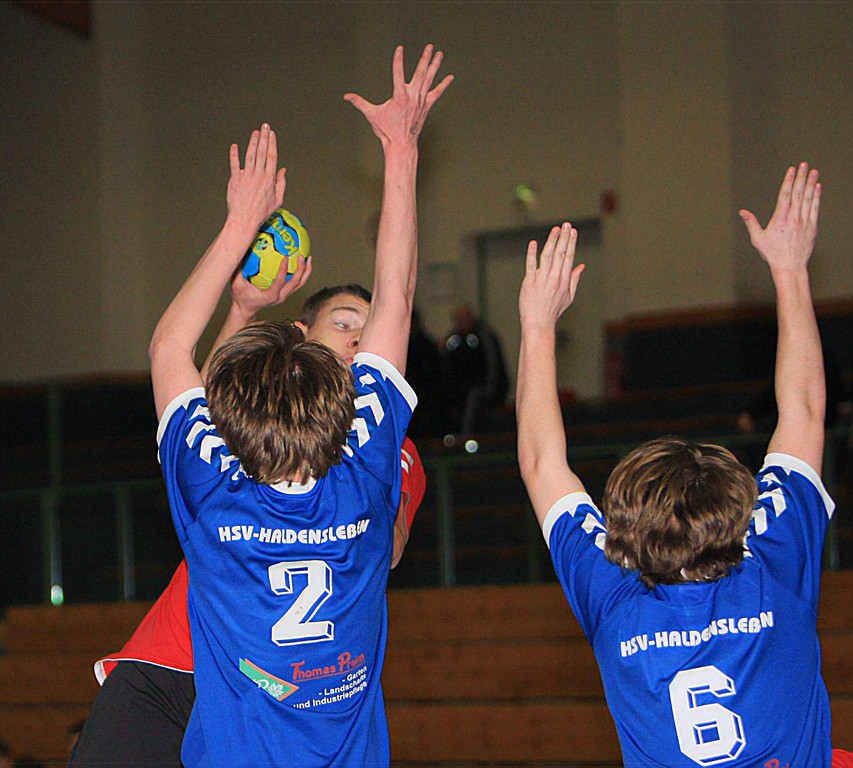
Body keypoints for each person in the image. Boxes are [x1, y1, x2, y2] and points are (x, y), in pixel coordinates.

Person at [147, 43, 450, 767]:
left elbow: (168, 348)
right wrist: (401, 150)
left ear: (232, 410)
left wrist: (239, 224)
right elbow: (398, 299)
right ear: (334, 395)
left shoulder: (212, 487)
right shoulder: (367, 468)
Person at [516, 163, 853, 765]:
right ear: (737, 509)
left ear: (626, 525)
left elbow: (542, 463)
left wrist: (537, 329)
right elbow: (804, 410)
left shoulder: (614, 594)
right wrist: (790, 270)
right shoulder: (773, 559)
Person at [68, 281, 426, 768]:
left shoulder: (384, 449)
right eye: (344, 323)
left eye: (369, 327)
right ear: (300, 336)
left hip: (271, 686)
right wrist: (239, 311)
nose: (358, 340)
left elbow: (389, 548)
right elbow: (204, 401)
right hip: (175, 659)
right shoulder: (256, 424)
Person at [441, 303, 508, 433]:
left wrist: (491, 388)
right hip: (459, 390)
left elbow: (493, 367)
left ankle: (466, 433)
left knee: (473, 398)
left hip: (482, 388)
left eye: (464, 318)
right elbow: (446, 367)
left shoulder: (484, 337)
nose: (461, 323)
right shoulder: (453, 340)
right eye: (458, 319)